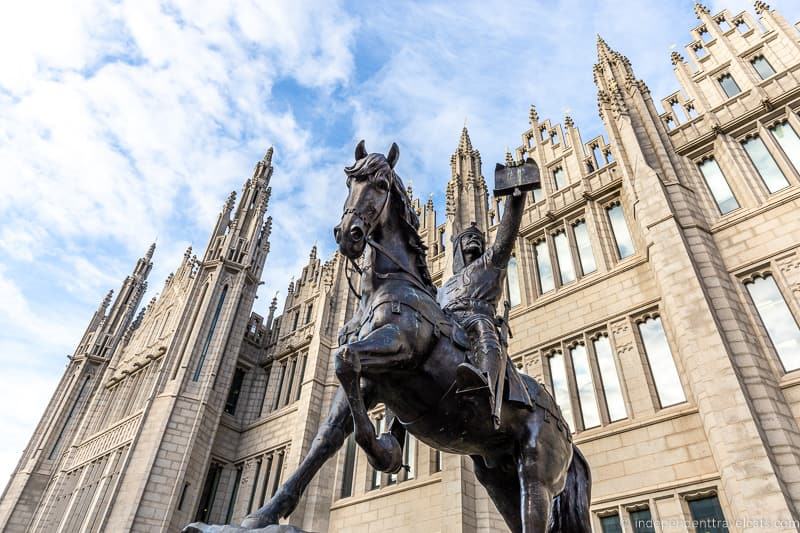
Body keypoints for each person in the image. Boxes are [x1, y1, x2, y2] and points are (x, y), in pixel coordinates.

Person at [438, 187, 528, 428]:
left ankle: (485, 390)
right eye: (468, 237)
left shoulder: (490, 264)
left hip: (477, 318)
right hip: (447, 325)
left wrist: (515, 197)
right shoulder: (445, 287)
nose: (474, 239)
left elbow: (505, 239)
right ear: (457, 247)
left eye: (478, 238)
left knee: (484, 332)